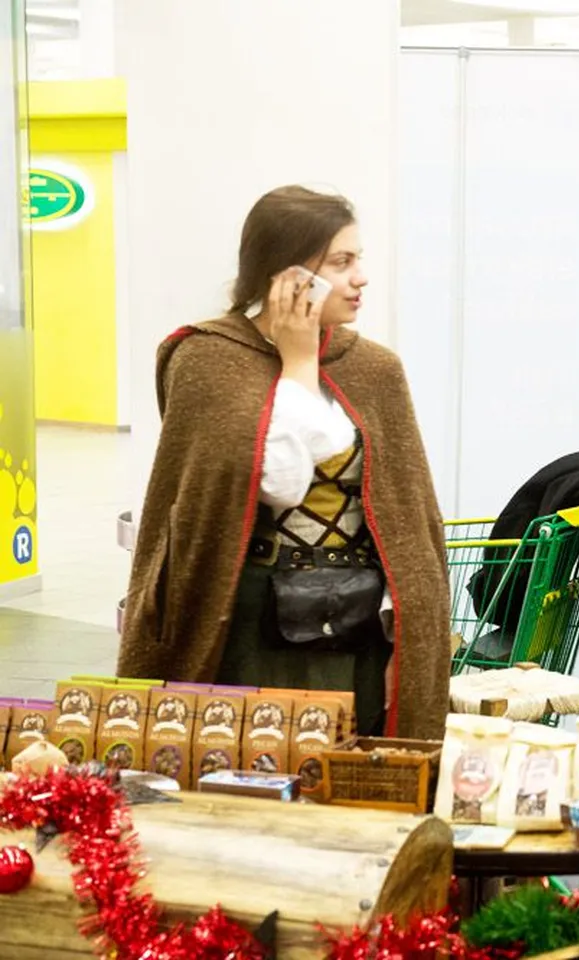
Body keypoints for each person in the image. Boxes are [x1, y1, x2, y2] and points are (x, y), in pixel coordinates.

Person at [116, 185, 451, 741]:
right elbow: (278, 481)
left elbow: (408, 520)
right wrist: (298, 363)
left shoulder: (374, 369)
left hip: (359, 622)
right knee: (249, 766)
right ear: (286, 275)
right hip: (248, 623)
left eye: (358, 259)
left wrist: (411, 622)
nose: (361, 277)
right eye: (341, 262)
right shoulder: (207, 359)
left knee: (352, 768)